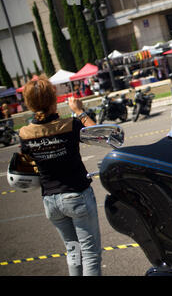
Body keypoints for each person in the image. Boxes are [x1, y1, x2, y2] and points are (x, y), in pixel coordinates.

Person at [18, 75, 102, 276]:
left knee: (73, 252)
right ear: (53, 99)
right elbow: (100, 135)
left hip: (50, 200)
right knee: (90, 254)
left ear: (29, 104)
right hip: (76, 195)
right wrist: (79, 111)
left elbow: (26, 164)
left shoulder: (25, 133)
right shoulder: (69, 126)